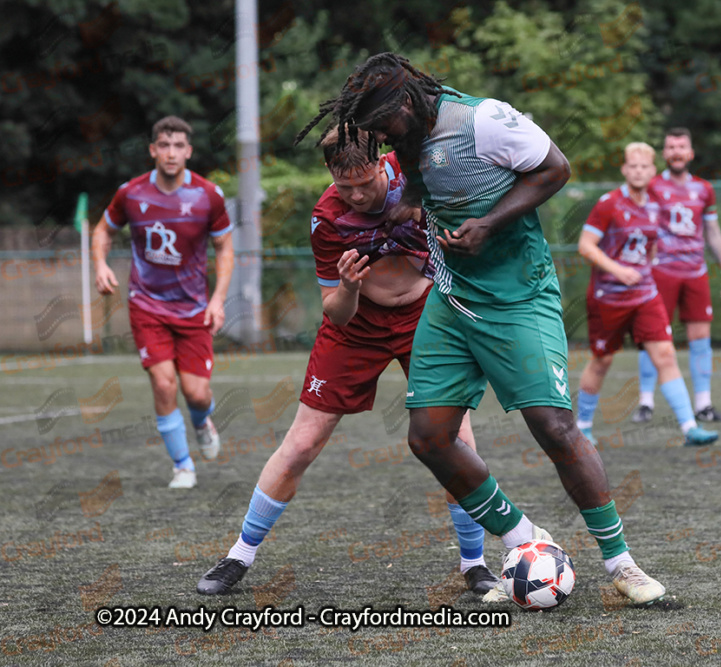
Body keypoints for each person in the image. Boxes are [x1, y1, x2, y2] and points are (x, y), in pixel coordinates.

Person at [315, 52, 667, 605]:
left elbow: (556, 169)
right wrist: (409, 204)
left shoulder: (482, 120)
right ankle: (525, 540)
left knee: (553, 426)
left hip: (518, 296)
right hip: (452, 299)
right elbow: (415, 171)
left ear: (408, 101)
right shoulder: (402, 134)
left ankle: (623, 565)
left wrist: (487, 224)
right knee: (428, 437)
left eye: (384, 124)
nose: (381, 138)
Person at [196, 128, 499, 596]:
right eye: (345, 185)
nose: (356, 195)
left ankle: (475, 564)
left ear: (383, 163)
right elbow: (333, 310)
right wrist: (351, 287)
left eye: (365, 182)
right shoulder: (327, 220)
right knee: (301, 444)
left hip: (426, 316)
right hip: (356, 326)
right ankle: (239, 555)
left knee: (454, 438)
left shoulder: (417, 172)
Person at [93, 116, 231, 488]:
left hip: (193, 308)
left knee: (196, 393)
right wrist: (100, 263)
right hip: (146, 304)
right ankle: (183, 465)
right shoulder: (131, 193)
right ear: (153, 150)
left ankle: (202, 420)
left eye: (178, 146)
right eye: (164, 145)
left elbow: (225, 249)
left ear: (189, 151)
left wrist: (218, 300)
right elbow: (104, 229)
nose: (171, 153)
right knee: (164, 385)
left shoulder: (208, 195)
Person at [576, 142, 718, 447]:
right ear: (625, 170)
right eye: (633, 166)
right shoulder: (609, 203)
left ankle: (690, 427)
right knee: (602, 361)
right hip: (608, 296)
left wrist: (646, 266)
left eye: (644, 166)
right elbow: (585, 246)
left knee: (666, 356)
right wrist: (617, 270)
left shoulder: (657, 205)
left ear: (653, 171)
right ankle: (583, 426)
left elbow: (652, 244)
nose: (638, 171)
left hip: (644, 294)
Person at [632, 128, 721, 424]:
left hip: (695, 272)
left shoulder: (704, 188)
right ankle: (646, 402)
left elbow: (714, 232)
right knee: (653, 336)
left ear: (690, 153)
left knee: (700, 337)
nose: (676, 152)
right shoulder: (650, 185)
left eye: (682, 146)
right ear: (663, 154)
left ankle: (703, 403)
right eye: (671, 147)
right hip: (660, 272)